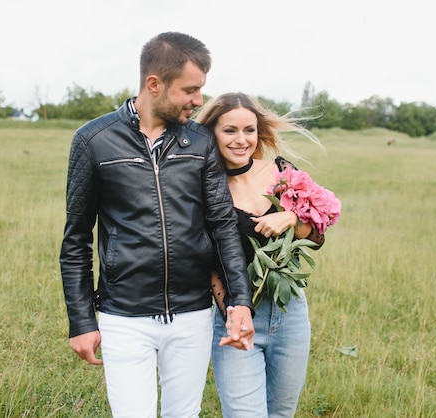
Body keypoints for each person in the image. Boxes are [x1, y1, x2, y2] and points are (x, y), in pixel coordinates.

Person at [59, 33, 254, 418]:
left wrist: (239, 301)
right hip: (124, 317)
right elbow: (76, 240)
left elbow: (222, 227)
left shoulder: (200, 142)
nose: (199, 101)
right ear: (154, 84)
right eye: (191, 90)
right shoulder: (93, 140)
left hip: (192, 315)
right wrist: (81, 320)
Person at [196, 92, 326, 417]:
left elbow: (318, 237)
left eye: (249, 130)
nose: (242, 140)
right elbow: (208, 264)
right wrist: (234, 313)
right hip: (237, 315)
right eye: (230, 130)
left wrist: (293, 218)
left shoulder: (281, 173)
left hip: (290, 311)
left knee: (282, 413)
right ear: (211, 132)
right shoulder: (199, 187)